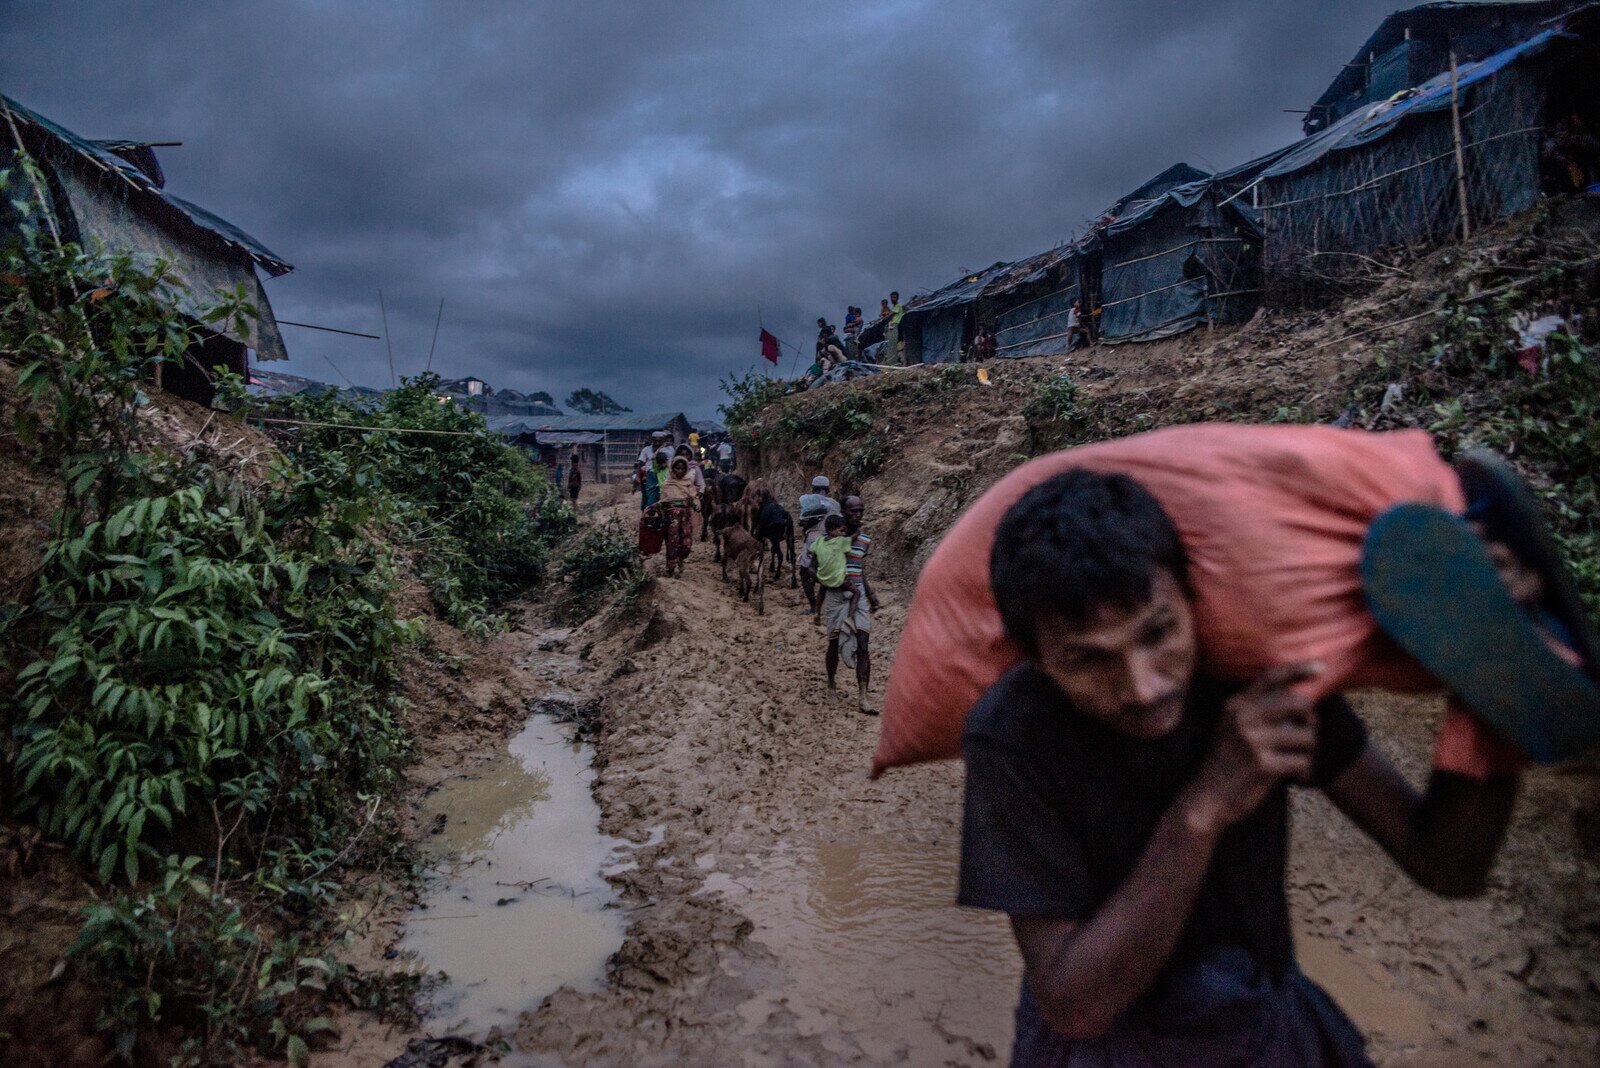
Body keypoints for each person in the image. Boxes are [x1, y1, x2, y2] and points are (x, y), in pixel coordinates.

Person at [959, 469, 1526, 1066]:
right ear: (1038, 661)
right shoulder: (1012, 733)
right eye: (1086, 660)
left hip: (1260, 1026)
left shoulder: (1253, 675)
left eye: (1159, 632)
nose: (1144, 685)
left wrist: (1493, 666)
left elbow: (1445, 864)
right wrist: (1203, 809)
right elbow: (1075, 1005)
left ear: (1190, 598)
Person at [822, 495, 879, 714]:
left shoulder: (864, 540)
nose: (858, 515)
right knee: (834, 643)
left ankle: (863, 696)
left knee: (864, 645)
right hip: (836, 596)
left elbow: (859, 568)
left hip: (859, 594)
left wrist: (871, 594)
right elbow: (823, 569)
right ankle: (831, 683)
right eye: (853, 511)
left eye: (861, 511)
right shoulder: (830, 539)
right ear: (843, 512)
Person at [797, 476, 843, 614]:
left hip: (814, 539)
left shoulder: (810, 501)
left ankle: (813, 606)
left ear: (813, 488)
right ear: (827, 489)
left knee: (805, 572)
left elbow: (803, 521)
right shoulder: (835, 504)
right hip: (832, 539)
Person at [659, 456, 698, 577]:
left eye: (682, 468)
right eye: (677, 468)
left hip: (685, 515)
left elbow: (694, 498)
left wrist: (696, 505)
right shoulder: (667, 484)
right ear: (673, 469)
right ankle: (671, 566)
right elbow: (663, 501)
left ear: (686, 469)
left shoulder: (688, 483)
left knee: (686, 542)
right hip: (672, 517)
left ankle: (680, 558)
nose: (680, 471)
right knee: (672, 541)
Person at [888, 292, 906, 366]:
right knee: (897, 344)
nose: (893, 299)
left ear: (897, 298)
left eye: (894, 297)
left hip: (897, 325)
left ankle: (902, 361)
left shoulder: (898, 306)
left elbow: (890, 315)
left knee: (898, 344)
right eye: (892, 298)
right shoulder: (894, 307)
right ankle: (899, 360)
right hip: (895, 326)